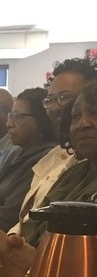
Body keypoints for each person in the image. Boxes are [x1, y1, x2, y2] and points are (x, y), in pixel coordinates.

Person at [0, 79, 97, 277]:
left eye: (95, 113)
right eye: (75, 116)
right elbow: (31, 232)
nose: (83, 123)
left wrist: (36, 275)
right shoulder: (74, 173)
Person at [9, 57, 97, 232]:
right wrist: (9, 242)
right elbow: (31, 224)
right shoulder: (65, 165)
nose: (83, 123)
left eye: (65, 97)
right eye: (75, 116)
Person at [0, 88, 56, 232]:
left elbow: (7, 219)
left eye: (18, 116)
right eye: (10, 116)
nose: (9, 124)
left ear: (42, 120)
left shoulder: (43, 160)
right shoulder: (20, 153)